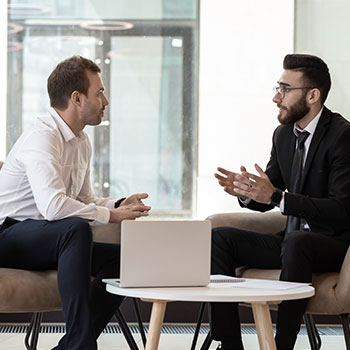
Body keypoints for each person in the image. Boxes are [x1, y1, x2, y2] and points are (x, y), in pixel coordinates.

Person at [0, 55, 151, 350]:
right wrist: (112, 216)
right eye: (100, 92)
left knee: (126, 260)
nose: (106, 101)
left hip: (48, 238)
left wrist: (120, 204)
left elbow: (83, 200)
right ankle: (81, 345)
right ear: (77, 98)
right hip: (8, 235)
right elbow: (54, 207)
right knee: (75, 229)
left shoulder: (81, 140)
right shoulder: (42, 136)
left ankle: (73, 343)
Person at [210, 53, 350, 350]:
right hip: (292, 242)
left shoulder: (342, 136)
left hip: (333, 243)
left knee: (298, 240)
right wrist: (246, 192)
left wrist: (276, 197)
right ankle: (229, 343)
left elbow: (342, 209)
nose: (276, 97)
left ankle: (281, 344)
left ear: (313, 95)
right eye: (277, 87)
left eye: (285, 89)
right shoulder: (284, 135)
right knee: (219, 238)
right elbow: (269, 191)